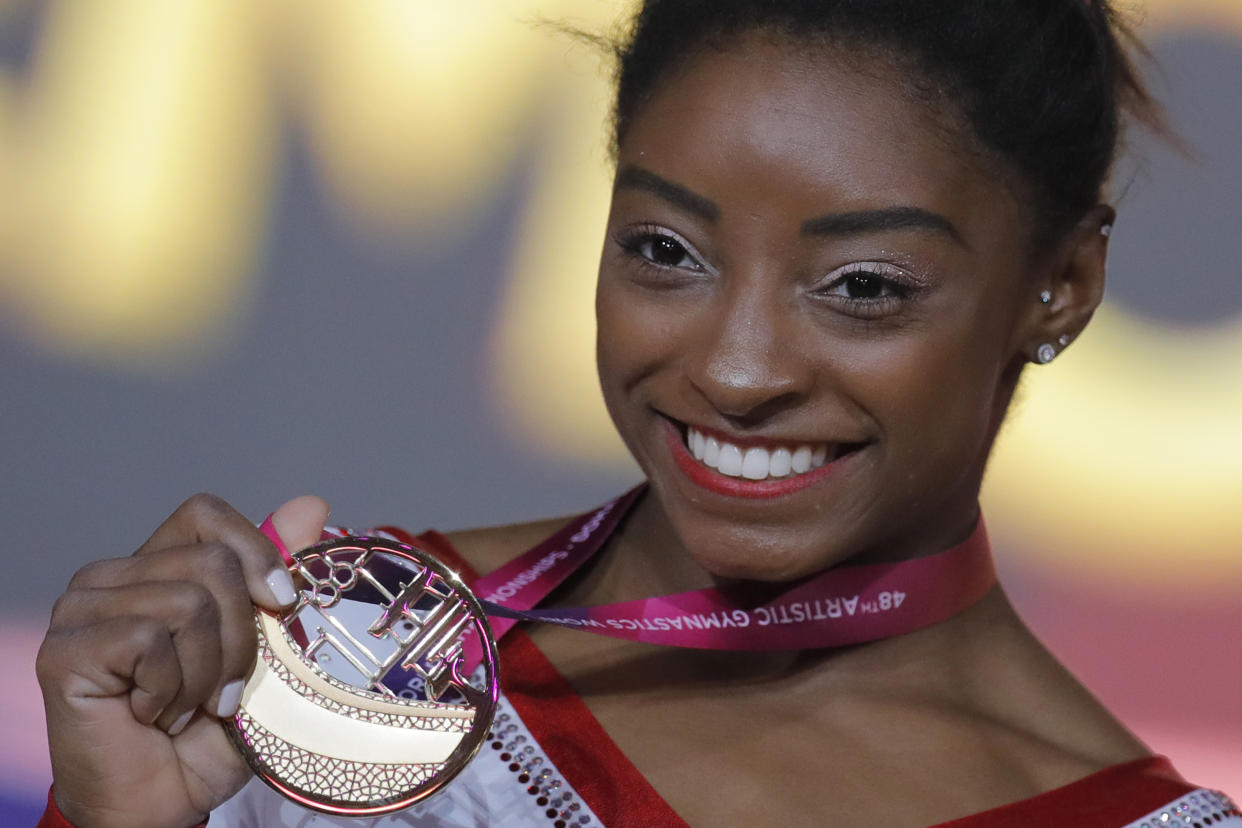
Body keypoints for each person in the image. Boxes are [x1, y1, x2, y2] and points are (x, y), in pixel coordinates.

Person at [34, 1, 1241, 826]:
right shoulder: (338, 671)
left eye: (863, 287)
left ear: (1063, 285)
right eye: (666, 251)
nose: (736, 368)